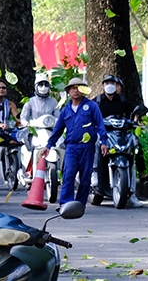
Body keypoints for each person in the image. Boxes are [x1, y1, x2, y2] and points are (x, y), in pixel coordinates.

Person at [45, 77, 104, 206]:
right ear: (68, 91)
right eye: (72, 88)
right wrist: (49, 145)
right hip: (71, 147)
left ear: (83, 90)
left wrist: (104, 141)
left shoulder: (91, 106)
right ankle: (65, 204)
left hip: (87, 147)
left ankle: (80, 204)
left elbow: (100, 125)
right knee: (68, 174)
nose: (75, 91)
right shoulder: (66, 110)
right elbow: (58, 129)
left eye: (78, 88)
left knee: (85, 178)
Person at [94, 74, 144, 198]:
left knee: (136, 143)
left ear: (117, 86)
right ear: (103, 85)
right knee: (95, 144)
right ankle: (94, 172)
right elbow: (90, 115)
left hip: (120, 134)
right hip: (103, 133)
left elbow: (132, 113)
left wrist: (136, 119)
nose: (109, 85)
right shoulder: (97, 101)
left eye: (112, 83)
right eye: (107, 83)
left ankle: (141, 175)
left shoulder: (122, 100)